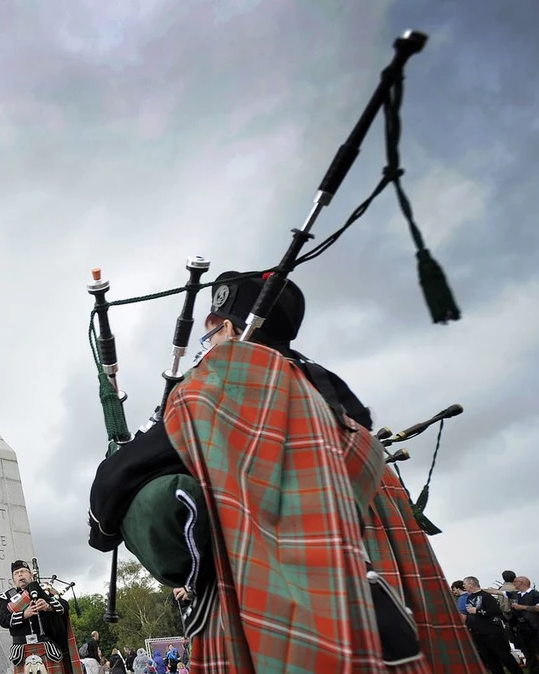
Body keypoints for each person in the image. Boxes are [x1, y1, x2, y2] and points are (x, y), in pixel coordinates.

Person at [88, 270, 483, 672]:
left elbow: (118, 480)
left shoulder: (232, 377)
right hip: (381, 569)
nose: (208, 345)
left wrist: (103, 519)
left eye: (210, 335)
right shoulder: (332, 393)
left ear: (225, 326)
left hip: (278, 579)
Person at [0, 560, 83, 673]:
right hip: (21, 651)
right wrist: (24, 614)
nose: (20, 575)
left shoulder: (44, 590)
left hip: (48, 648)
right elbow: (3, 619)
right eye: (16, 574)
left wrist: (48, 606)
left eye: (23, 572)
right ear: (13, 580)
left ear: (31, 575)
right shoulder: (7, 598)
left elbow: (65, 605)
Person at [463, 576, 524, 674]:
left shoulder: (486, 596)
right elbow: (470, 612)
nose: (464, 586)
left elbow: (495, 610)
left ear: (471, 584)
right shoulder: (469, 597)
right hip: (477, 633)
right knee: (490, 659)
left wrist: (477, 611)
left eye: (465, 584)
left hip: (491, 632)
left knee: (504, 656)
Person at [508, 576, 539, 673]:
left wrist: (521, 607)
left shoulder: (536, 594)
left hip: (537, 627)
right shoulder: (516, 595)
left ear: (522, 583)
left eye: (515, 581)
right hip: (525, 628)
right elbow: (497, 592)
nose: (513, 583)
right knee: (536, 651)